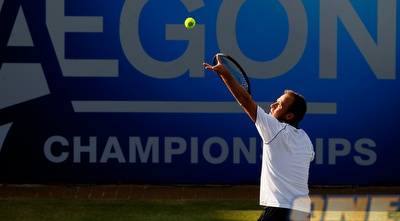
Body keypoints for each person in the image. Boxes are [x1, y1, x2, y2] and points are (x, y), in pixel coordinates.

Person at [203, 53, 315, 221]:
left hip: (281, 210)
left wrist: (225, 74)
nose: (272, 105)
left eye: (279, 105)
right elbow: (306, 160)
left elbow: (245, 101)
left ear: (289, 115)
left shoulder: (275, 129)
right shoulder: (305, 139)